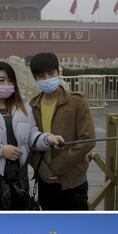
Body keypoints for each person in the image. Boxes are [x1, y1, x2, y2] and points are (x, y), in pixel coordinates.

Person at [0, 61, 64, 210]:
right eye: (1, 80)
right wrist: (1, 150)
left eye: (10, 81)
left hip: (18, 175)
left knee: (19, 223)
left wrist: (47, 139)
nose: (6, 84)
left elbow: (31, 135)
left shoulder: (23, 107)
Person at [29, 52, 96, 210]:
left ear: (58, 72)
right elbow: (28, 141)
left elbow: (87, 140)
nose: (47, 79)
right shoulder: (32, 107)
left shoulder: (76, 102)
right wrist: (43, 171)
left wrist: (56, 167)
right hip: (45, 181)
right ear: (35, 79)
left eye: (51, 74)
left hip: (73, 181)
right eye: (41, 76)